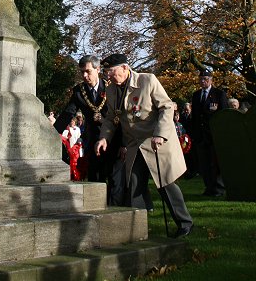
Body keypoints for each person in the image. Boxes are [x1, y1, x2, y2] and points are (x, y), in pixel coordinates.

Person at [95, 53, 193, 238]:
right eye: (106, 72)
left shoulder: (148, 80)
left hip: (155, 141)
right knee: (134, 184)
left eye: (111, 71)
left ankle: (184, 223)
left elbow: (166, 106)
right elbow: (110, 118)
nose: (108, 76)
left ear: (125, 68)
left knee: (166, 184)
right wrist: (104, 138)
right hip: (134, 145)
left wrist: (161, 135)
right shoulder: (111, 90)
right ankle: (138, 229)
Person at [54, 54, 118, 184]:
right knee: (93, 175)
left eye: (88, 71)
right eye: (82, 72)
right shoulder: (79, 91)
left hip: (112, 137)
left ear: (98, 69)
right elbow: (68, 113)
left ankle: (112, 203)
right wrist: (53, 132)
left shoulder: (110, 87)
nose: (84, 76)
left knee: (112, 177)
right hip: (92, 138)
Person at [191, 67, 228, 197]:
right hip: (201, 136)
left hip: (214, 135)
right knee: (205, 164)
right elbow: (195, 117)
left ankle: (219, 188)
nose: (203, 81)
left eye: (205, 79)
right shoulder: (196, 95)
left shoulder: (219, 94)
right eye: (201, 79)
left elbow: (224, 115)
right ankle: (209, 187)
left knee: (216, 163)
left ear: (211, 80)